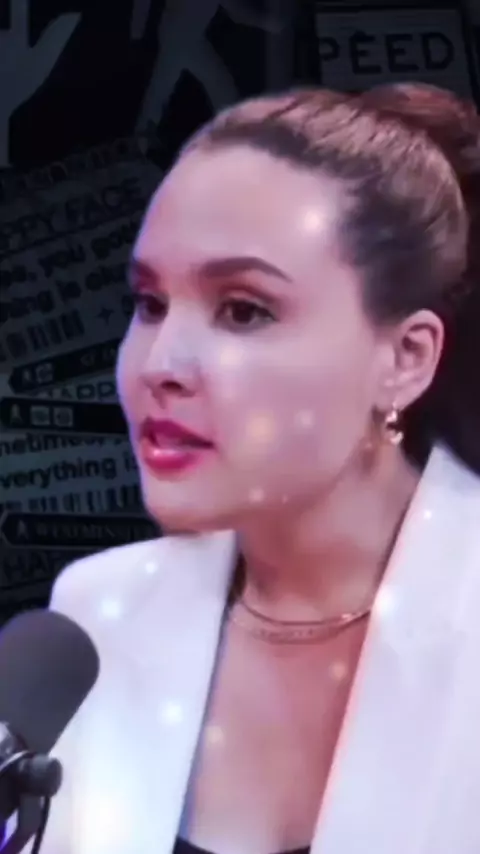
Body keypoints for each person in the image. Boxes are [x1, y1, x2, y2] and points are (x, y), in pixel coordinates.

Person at [44, 82, 480, 854]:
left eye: (244, 310)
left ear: (405, 358)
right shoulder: (95, 617)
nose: (160, 364)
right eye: (149, 304)